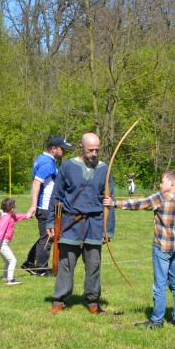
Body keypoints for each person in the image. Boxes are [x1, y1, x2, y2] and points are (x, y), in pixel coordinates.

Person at [105, 170, 175, 328]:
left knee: (160, 284)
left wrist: (114, 203)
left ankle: (157, 320)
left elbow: (138, 203)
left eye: (162, 181)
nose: (160, 184)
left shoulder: (160, 198)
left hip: (161, 247)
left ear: (171, 183)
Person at [48, 133, 114, 315]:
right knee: (66, 263)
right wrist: (50, 222)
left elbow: (110, 201)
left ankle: (93, 300)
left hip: (94, 222)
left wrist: (108, 229)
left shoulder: (104, 169)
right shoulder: (68, 166)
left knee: (94, 264)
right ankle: (60, 299)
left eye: (97, 150)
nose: (94, 154)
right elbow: (56, 196)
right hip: (71, 221)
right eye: (90, 150)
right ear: (81, 147)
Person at [22, 136, 73, 277]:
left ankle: (29, 262)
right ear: (53, 149)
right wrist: (33, 206)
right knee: (48, 238)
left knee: (45, 236)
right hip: (45, 207)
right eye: (62, 149)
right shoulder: (47, 163)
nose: (64, 151)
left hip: (48, 206)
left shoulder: (44, 159)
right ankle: (41, 270)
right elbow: (36, 183)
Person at [0, 197, 30, 286]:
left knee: (8, 261)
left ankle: (5, 277)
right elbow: (0, 230)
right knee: (13, 260)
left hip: (1, 243)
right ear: (12, 208)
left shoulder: (8, 216)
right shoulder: (6, 218)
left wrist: (27, 215)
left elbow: (17, 217)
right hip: (2, 244)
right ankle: (10, 280)